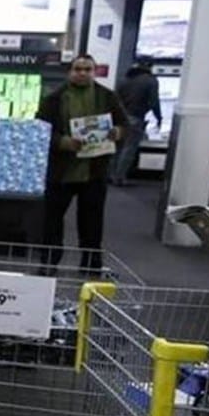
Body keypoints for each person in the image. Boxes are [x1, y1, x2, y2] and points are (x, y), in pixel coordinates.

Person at [36, 54, 128, 271]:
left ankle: (91, 263)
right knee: (52, 221)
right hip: (61, 171)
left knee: (92, 221)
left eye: (88, 69)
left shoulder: (107, 97)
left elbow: (123, 124)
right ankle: (49, 262)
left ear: (94, 72)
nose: (83, 73)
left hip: (94, 171)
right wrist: (62, 142)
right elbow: (41, 129)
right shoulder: (54, 98)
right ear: (70, 71)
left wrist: (117, 132)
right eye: (78, 69)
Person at [111, 62, 162, 186]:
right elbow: (154, 102)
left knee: (116, 148)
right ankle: (119, 178)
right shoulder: (151, 81)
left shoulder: (124, 79)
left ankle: (110, 175)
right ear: (149, 67)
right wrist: (159, 118)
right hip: (135, 117)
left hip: (118, 118)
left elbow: (114, 98)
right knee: (128, 148)